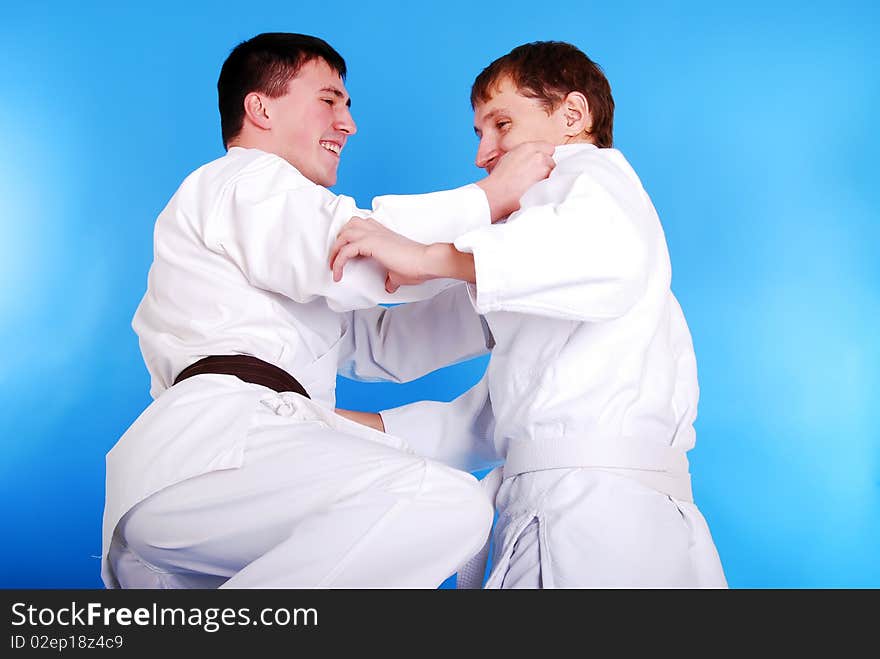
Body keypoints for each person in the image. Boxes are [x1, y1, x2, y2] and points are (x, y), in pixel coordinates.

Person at [101, 32, 555, 588]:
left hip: (207, 485)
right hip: (216, 454)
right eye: (329, 100)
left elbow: (380, 340)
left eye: (347, 105)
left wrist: (512, 283)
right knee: (441, 501)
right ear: (260, 107)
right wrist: (489, 198)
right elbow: (355, 254)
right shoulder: (243, 179)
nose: (348, 123)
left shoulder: (269, 238)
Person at [331, 41, 728, 588]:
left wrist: (425, 256)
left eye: (501, 123)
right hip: (595, 511)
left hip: (593, 518)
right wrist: (314, 416)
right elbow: (480, 427)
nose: (483, 152)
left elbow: (596, 253)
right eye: (479, 132)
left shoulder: (588, 173)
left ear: (573, 115)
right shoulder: (549, 274)